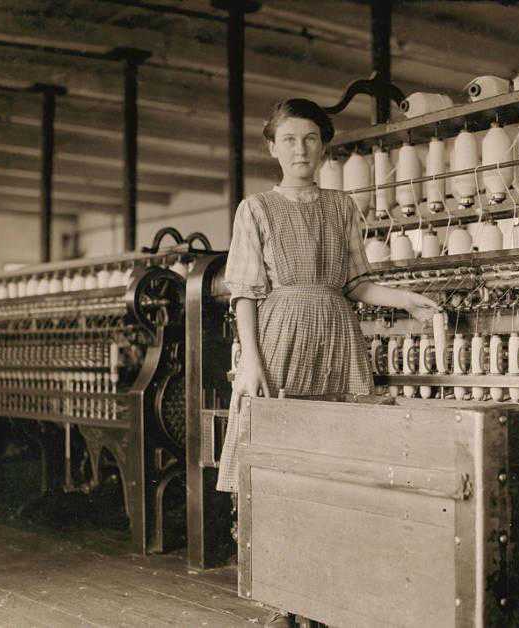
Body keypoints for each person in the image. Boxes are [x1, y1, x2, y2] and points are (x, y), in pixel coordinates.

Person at [218, 98, 440, 627]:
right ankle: (282, 598)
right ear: (273, 148)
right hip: (279, 339)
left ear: (323, 147)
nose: (301, 149)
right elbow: (245, 293)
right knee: (276, 465)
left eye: (311, 139)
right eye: (289, 140)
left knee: (339, 466)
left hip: (338, 340)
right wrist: (250, 362)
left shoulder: (343, 206)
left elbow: (356, 283)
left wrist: (405, 300)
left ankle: (331, 596)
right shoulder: (255, 208)